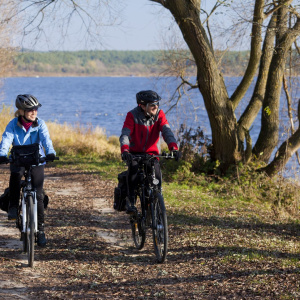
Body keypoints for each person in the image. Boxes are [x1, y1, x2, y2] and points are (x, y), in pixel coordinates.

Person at [0, 94, 56, 247]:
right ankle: (12, 206)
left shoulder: (40, 124)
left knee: (38, 194)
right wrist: (2, 154)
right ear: (22, 111)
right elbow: (6, 139)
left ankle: (41, 230)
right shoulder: (13, 124)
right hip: (18, 158)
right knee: (16, 176)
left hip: (36, 159)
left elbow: (46, 139)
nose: (34, 112)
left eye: (36, 109)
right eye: (30, 109)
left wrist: (51, 153)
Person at [119, 90, 179, 214]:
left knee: (156, 175)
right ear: (142, 105)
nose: (156, 107)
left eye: (157, 104)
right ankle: (131, 201)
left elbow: (167, 132)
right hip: (135, 153)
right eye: (152, 104)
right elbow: (125, 134)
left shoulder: (160, 115)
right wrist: (125, 150)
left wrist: (173, 147)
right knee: (133, 170)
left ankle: (156, 201)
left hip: (152, 154)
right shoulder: (132, 115)